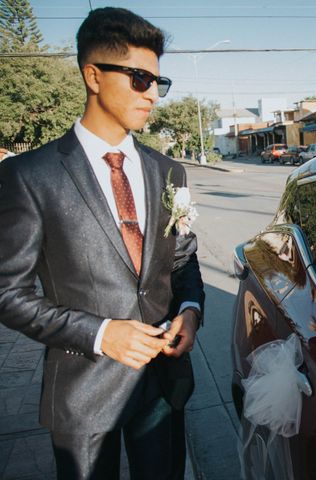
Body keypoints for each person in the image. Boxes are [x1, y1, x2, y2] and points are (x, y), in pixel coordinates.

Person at [0, 7, 204, 479]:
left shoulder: (167, 171)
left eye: (158, 81)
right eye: (138, 78)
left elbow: (182, 261)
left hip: (161, 383)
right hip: (83, 388)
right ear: (93, 75)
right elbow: (8, 293)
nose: (152, 94)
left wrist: (191, 310)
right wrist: (100, 333)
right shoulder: (31, 176)